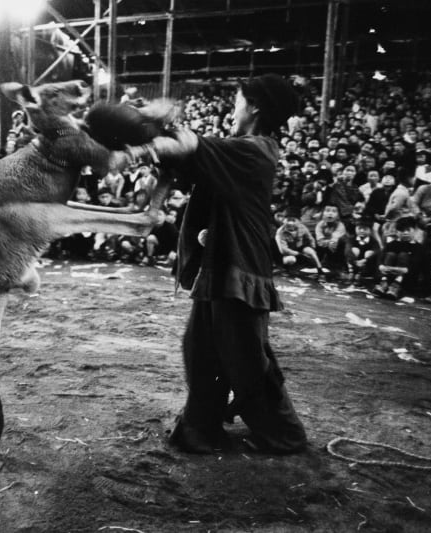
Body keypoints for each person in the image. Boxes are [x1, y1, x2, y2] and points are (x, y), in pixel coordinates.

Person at [130, 74, 308, 454]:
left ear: (255, 107)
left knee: (244, 357)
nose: (232, 110)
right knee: (201, 349)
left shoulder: (255, 150)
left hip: (241, 268)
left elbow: (191, 148)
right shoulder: (239, 148)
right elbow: (188, 163)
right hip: (221, 265)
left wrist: (161, 122)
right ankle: (200, 429)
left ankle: (285, 434)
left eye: (237, 102)